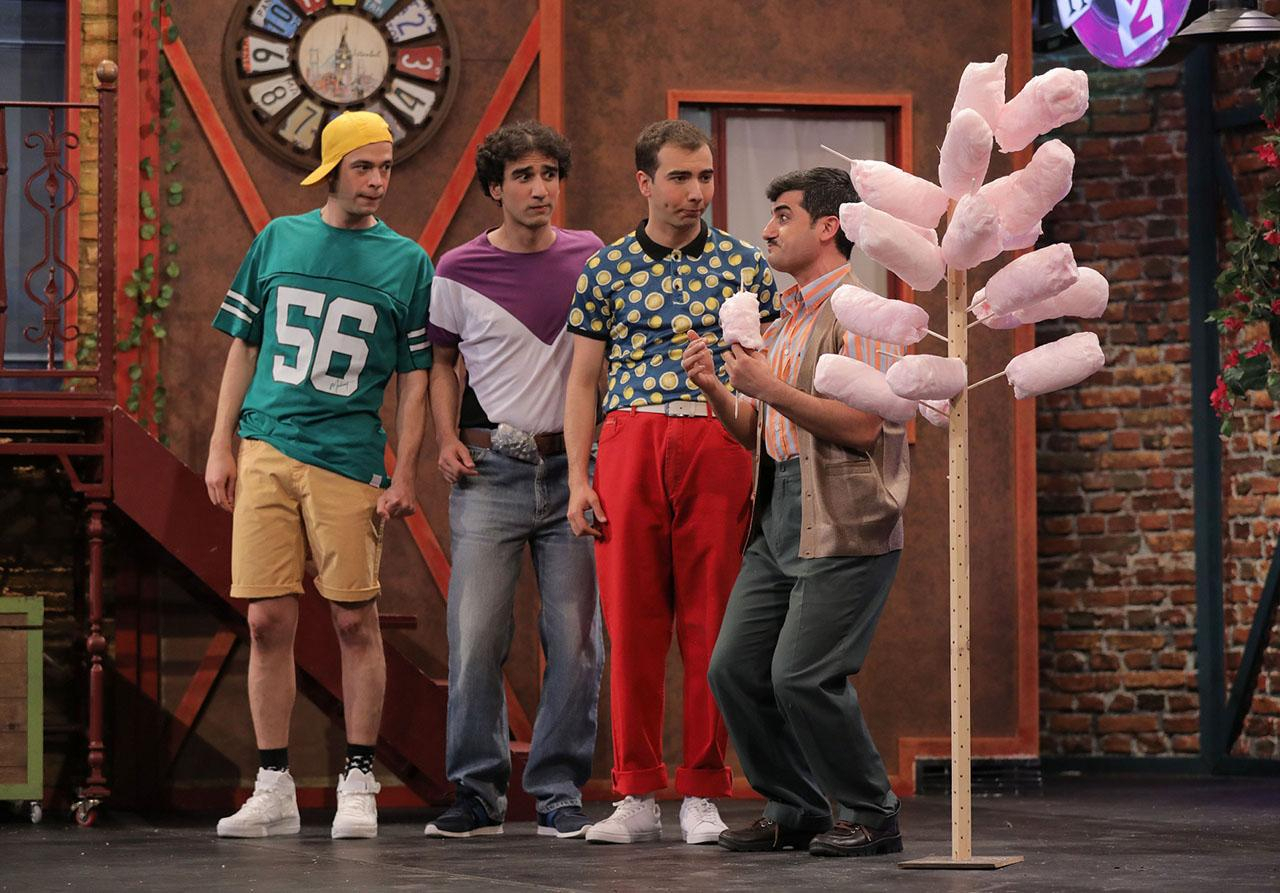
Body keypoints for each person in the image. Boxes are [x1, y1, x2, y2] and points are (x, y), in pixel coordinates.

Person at [204, 111, 432, 840]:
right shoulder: (278, 238)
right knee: (265, 619)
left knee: (353, 618)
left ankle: (359, 779)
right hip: (267, 445)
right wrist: (220, 444)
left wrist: (405, 470)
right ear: (332, 169)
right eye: (364, 166)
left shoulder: (408, 261)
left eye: (386, 167)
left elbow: (417, 377)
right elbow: (243, 346)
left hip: (348, 454)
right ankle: (273, 784)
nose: (378, 181)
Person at [562, 119, 777, 845]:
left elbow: (766, 372)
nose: (696, 192)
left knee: (712, 622)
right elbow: (582, 380)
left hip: (716, 437)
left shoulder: (746, 267)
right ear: (645, 182)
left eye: (705, 176)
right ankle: (634, 791)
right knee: (630, 624)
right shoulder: (606, 268)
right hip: (630, 438)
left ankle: (704, 790)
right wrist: (578, 477)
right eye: (680, 177)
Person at [687, 167, 909, 857]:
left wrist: (768, 387)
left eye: (783, 215)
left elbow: (863, 426)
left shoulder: (860, 313)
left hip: (843, 515)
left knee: (803, 675)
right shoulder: (785, 320)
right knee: (734, 669)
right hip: (778, 511)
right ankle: (797, 806)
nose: (766, 230)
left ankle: (872, 812)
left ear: (827, 226)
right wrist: (719, 390)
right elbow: (760, 431)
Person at [422, 122, 604, 840]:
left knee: (578, 641)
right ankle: (476, 791)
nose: (540, 188)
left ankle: (558, 789)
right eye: (524, 175)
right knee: (473, 638)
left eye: (549, 174)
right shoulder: (457, 268)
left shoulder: (591, 256)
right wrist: (444, 438)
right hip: (490, 473)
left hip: (574, 473)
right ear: (495, 188)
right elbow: (440, 365)